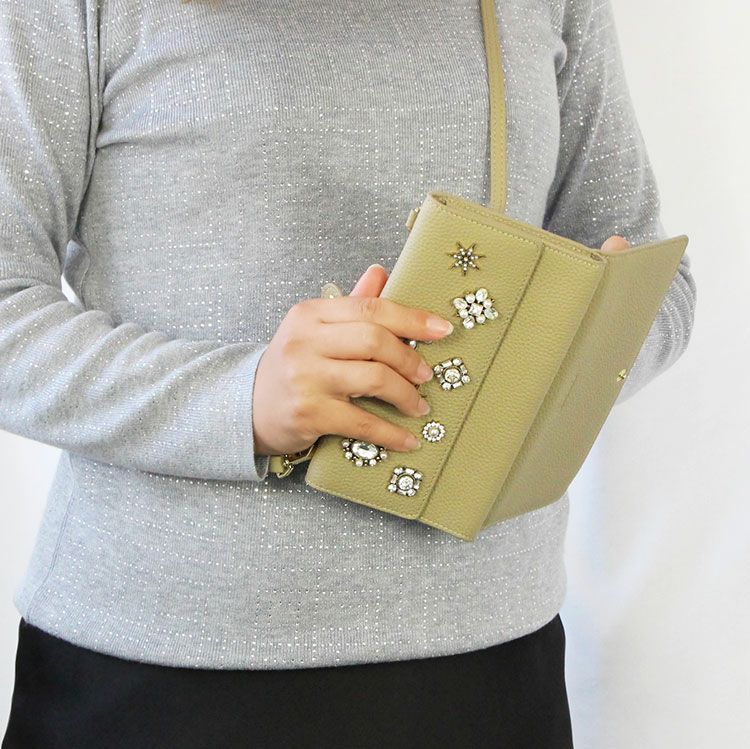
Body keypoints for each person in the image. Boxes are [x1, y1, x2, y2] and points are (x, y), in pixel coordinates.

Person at [0, 0, 696, 746]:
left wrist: (567, 361)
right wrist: (241, 399)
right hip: (157, 668)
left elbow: (660, 283)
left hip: (490, 665)